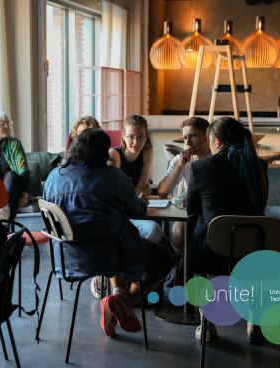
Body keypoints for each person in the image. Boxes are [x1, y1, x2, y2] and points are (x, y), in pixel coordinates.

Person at [43, 129, 174, 337]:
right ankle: (123, 303)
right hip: (109, 254)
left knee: (108, 235)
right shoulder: (113, 176)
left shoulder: (53, 177)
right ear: (102, 152)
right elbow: (137, 211)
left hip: (66, 257)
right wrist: (142, 201)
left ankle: (118, 295)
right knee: (165, 258)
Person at [186, 117, 269, 344]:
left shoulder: (200, 167)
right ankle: (255, 323)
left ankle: (207, 325)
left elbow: (191, 211)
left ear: (217, 142)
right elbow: (260, 205)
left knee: (198, 231)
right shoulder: (259, 166)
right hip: (255, 252)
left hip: (214, 253)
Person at [158, 116, 211, 253]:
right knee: (178, 234)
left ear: (206, 136)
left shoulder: (216, 157)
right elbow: (163, 192)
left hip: (213, 207)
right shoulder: (181, 159)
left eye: (192, 136)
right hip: (192, 208)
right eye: (185, 137)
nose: (188, 142)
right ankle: (186, 265)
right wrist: (179, 165)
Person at [108, 115, 163, 244]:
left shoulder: (148, 152)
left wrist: (141, 191)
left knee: (156, 230)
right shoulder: (114, 154)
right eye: (131, 137)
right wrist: (140, 191)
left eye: (140, 137)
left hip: (135, 210)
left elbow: (141, 189)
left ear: (146, 136)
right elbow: (114, 192)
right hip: (117, 212)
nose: (136, 142)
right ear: (123, 136)